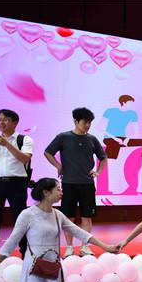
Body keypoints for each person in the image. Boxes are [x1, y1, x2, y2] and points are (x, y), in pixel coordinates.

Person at [45, 107, 107, 258]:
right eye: (85, 122)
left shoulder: (92, 139)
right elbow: (48, 152)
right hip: (69, 183)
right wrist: (58, 166)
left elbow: (103, 157)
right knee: (68, 217)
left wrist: (98, 172)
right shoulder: (63, 137)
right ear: (75, 121)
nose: (87, 125)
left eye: (90, 123)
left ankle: (85, 247)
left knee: (87, 216)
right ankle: (69, 247)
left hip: (87, 184)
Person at [0, 109, 33, 260]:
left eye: (5, 120)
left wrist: (7, 144)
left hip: (16, 183)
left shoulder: (24, 139)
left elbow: (25, 159)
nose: (1, 123)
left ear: (15, 123)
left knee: (20, 220)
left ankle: (25, 254)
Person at [99, 95, 142, 194]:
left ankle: (140, 186)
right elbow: (99, 127)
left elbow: (136, 132)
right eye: (130, 103)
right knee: (112, 152)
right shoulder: (110, 111)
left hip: (123, 139)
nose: (132, 105)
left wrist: (127, 139)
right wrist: (114, 138)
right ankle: (111, 187)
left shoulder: (132, 113)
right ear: (123, 103)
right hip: (110, 138)